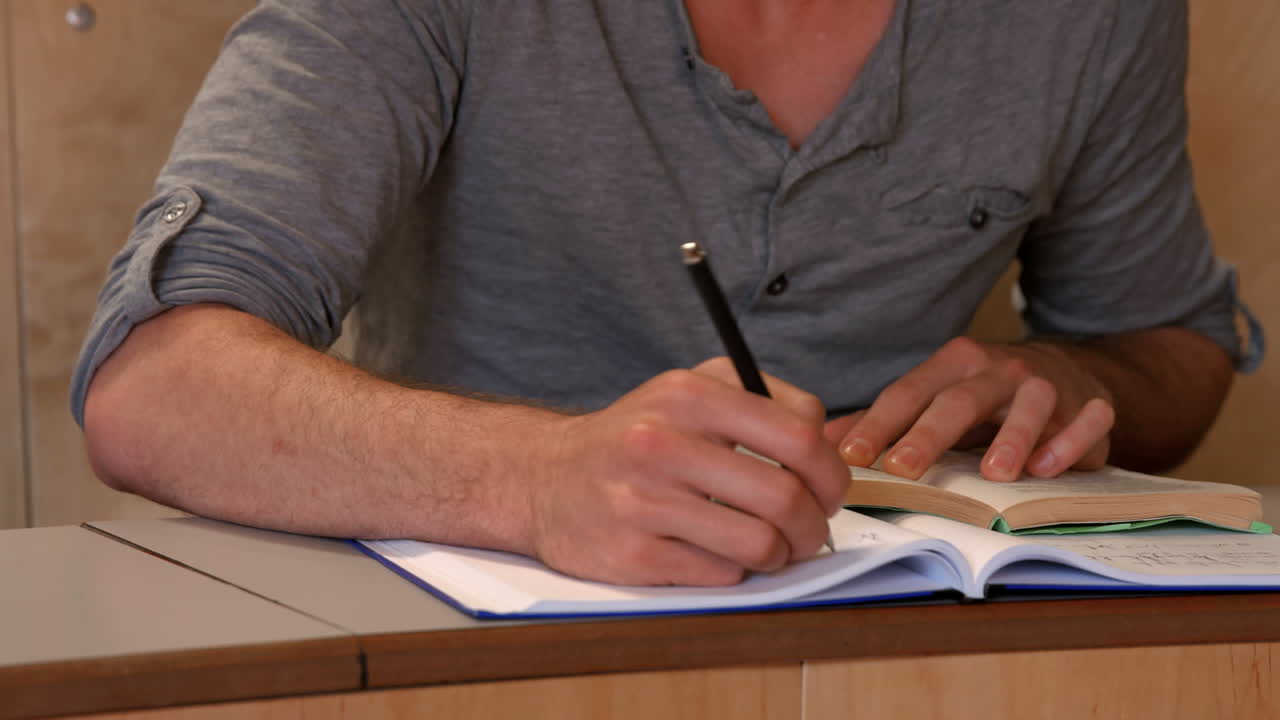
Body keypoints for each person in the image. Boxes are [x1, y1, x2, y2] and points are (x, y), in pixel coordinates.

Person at [72, 0, 1259, 587]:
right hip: (462, 655)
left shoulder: (1094, 18)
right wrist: (531, 479)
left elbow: (1168, 347)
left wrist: (1067, 378)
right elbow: (153, 386)